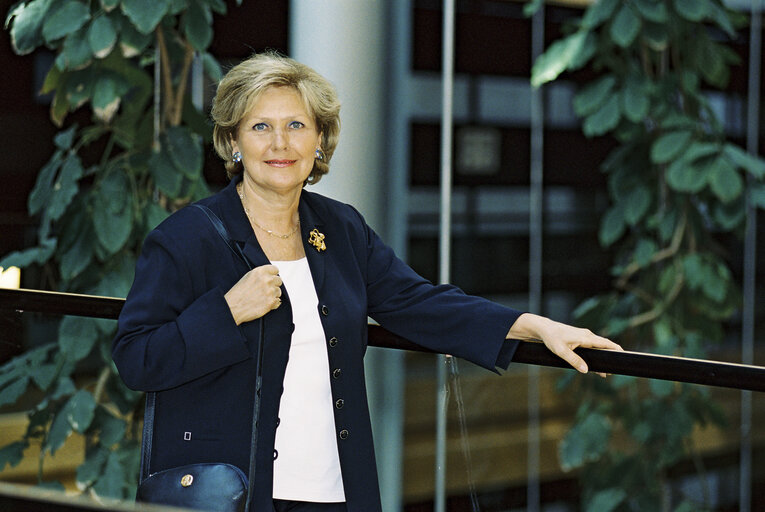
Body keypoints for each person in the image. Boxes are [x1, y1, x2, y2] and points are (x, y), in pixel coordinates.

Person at [112, 52, 621, 512]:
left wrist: (534, 328)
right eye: (260, 126)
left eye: (296, 125)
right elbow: (136, 357)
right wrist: (225, 313)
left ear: (319, 138)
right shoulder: (186, 238)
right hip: (234, 492)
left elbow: (414, 301)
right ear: (233, 141)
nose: (280, 143)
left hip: (335, 488)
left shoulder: (340, 228)